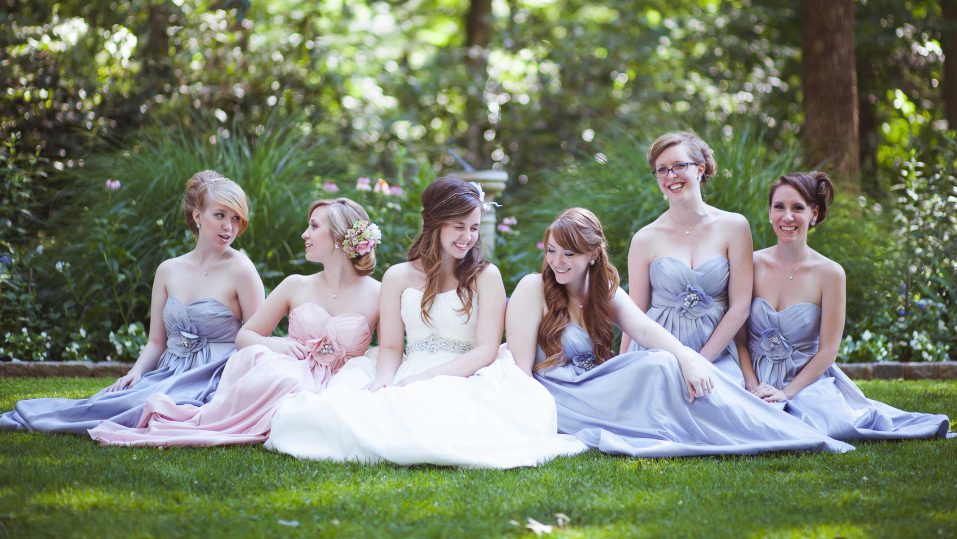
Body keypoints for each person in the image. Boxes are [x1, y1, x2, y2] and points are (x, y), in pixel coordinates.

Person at [266, 176, 587, 468]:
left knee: (448, 413)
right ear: (435, 224)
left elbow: (487, 349)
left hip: (468, 368)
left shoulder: (486, 276)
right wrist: (385, 378)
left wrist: (429, 377)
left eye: (474, 228)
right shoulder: (397, 277)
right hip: (410, 363)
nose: (468, 237)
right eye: (459, 227)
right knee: (335, 413)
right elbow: (390, 346)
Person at [506, 207, 854, 457]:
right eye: (552, 251)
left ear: (593, 256)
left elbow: (645, 329)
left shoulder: (604, 293)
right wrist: (533, 421)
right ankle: (748, 429)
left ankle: (758, 426)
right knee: (654, 367)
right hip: (558, 396)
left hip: (592, 386)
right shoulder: (532, 287)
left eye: (569, 253)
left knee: (662, 361)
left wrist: (688, 358)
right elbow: (521, 373)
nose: (557, 261)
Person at [90, 198, 379, 446]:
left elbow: (391, 347)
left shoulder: (379, 293)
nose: (305, 234)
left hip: (346, 378)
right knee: (282, 376)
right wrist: (274, 345)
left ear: (341, 236)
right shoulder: (295, 285)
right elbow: (245, 336)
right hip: (295, 371)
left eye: (314, 226)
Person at [1, 170, 263, 434]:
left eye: (236, 218)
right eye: (220, 215)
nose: (229, 227)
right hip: (169, 371)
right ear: (198, 217)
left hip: (215, 376)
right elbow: (156, 341)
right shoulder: (168, 270)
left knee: (151, 409)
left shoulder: (242, 270)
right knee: (112, 404)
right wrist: (136, 372)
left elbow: (256, 339)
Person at [742, 172, 952, 440]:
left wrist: (787, 393)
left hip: (805, 381)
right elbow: (739, 338)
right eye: (779, 207)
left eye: (798, 208)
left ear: (814, 214)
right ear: (770, 213)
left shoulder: (830, 273)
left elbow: (829, 350)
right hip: (751, 376)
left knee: (823, 423)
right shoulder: (750, 263)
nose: (787, 217)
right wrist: (751, 385)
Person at [620, 132, 753, 387]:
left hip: (716, 354)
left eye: (679, 165)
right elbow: (634, 313)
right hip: (656, 354)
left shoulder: (734, 227)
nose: (671, 176)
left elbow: (740, 307)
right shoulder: (644, 239)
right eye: (662, 170)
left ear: (700, 169)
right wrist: (622, 363)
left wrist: (699, 362)